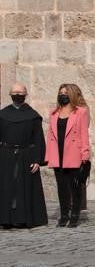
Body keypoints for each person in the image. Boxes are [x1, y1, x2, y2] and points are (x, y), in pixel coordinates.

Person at [0, 83, 47, 228]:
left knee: (23, 187)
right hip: (5, 156)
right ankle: (5, 219)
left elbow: (38, 139)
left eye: (20, 92)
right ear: (10, 94)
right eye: (14, 92)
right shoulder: (2, 115)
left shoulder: (32, 116)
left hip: (26, 156)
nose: (17, 94)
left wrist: (37, 160)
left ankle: (22, 218)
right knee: (6, 187)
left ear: (25, 94)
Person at [45, 83, 90, 228]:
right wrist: (48, 155)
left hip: (74, 153)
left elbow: (84, 134)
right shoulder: (53, 113)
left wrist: (85, 154)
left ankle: (75, 215)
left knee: (75, 186)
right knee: (61, 186)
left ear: (71, 94)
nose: (62, 95)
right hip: (57, 154)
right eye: (60, 92)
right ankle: (64, 215)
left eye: (65, 92)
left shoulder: (80, 112)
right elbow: (49, 136)